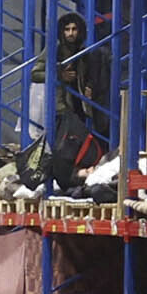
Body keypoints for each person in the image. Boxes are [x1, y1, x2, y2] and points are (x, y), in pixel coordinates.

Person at [48, 10, 113, 188]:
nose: (70, 33)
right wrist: (58, 74)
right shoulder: (55, 51)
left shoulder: (84, 52)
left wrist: (89, 88)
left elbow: (88, 75)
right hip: (61, 107)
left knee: (82, 144)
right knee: (63, 148)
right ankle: (66, 179)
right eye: (67, 29)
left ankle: (80, 176)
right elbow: (36, 73)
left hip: (81, 106)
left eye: (74, 29)